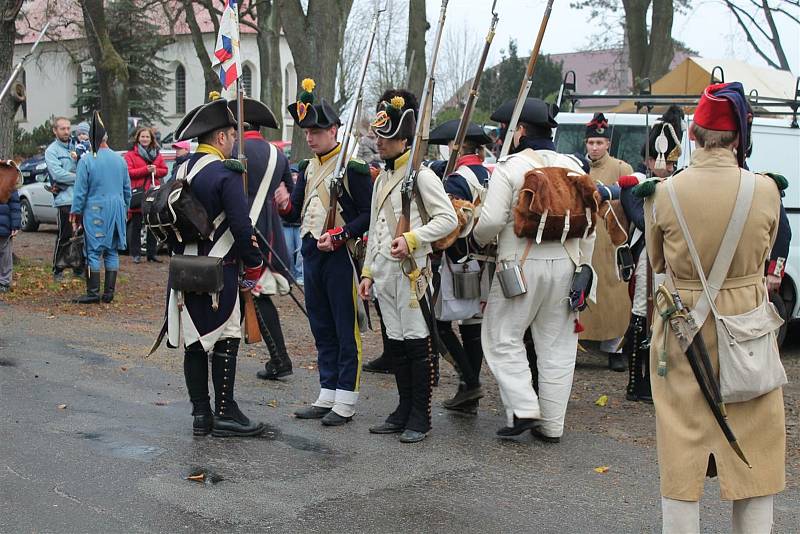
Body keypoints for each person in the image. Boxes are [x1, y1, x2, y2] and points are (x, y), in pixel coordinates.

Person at [644, 82, 785, 533]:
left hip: (684, 332)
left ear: (692, 135)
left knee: (681, 465)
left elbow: (657, 261)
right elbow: (764, 255)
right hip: (747, 330)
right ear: (739, 139)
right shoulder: (766, 191)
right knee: (756, 462)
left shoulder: (663, 194)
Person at [471, 97, 595, 442]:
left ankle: (524, 407)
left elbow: (491, 221)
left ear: (520, 130)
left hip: (520, 266)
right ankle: (552, 425)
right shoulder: (574, 166)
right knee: (557, 347)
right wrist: (584, 266)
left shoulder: (510, 167)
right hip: (568, 266)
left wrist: (477, 240)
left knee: (502, 336)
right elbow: (590, 225)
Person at [358, 89, 458, 443]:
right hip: (385, 273)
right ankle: (403, 409)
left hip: (412, 271)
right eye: (378, 137)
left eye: (385, 138)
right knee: (396, 344)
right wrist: (368, 272)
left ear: (403, 139)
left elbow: (447, 220)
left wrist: (414, 238)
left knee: (417, 343)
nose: (379, 143)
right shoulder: (383, 178)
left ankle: (421, 415)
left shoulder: (423, 176)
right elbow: (374, 227)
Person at [275, 78, 373, 426]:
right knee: (321, 325)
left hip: (340, 254)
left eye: (316, 130)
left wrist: (342, 233)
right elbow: (298, 210)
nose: (310, 136)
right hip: (311, 252)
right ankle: (327, 391)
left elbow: (368, 214)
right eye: (306, 131)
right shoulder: (307, 167)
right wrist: (285, 205)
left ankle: (346, 400)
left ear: (334, 130)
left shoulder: (352, 167)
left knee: (345, 327)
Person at [166, 95, 265, 438]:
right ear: (221, 138)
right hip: (218, 269)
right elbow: (240, 226)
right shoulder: (225, 172)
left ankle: (201, 415)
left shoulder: (179, 169)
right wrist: (255, 262)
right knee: (226, 336)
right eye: (232, 135)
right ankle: (225, 412)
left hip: (183, 269)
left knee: (194, 342)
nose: (235, 140)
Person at [615, 105, 685, 402]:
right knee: (642, 315)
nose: (667, 167)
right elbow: (645, 221)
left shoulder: (678, 182)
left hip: (675, 258)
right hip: (647, 257)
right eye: (663, 160)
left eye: (671, 163)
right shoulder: (635, 185)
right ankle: (636, 381)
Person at [427, 119, 493, 415]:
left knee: (439, 326)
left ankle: (469, 380)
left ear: (457, 146)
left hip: (459, 258)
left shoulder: (457, 179)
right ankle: (468, 393)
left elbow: (450, 223)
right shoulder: (493, 172)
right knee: (472, 325)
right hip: (488, 258)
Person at [231, 97, 295, 381]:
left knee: (253, 293)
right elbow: (288, 196)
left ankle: (280, 359)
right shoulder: (278, 154)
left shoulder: (231, 149)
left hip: (239, 229)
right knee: (252, 293)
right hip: (269, 229)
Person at [579, 113, 634, 371]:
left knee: (614, 294)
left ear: (608, 144)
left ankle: (615, 350)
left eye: (599, 143)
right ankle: (578, 344)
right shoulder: (577, 167)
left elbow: (631, 201)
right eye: (591, 143)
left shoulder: (622, 168)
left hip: (611, 241)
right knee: (582, 289)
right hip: (583, 238)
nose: (595, 147)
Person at [69, 111, 132, 304]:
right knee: (112, 251)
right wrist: (125, 209)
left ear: (91, 139)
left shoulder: (87, 160)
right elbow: (127, 189)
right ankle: (109, 293)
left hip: (96, 209)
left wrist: (75, 212)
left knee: (94, 251)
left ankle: (93, 292)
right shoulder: (120, 160)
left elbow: (80, 191)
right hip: (117, 209)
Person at [45, 116, 82, 281]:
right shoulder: (52, 151)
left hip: (81, 198)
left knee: (81, 235)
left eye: (68, 128)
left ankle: (78, 267)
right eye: (62, 128)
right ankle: (58, 268)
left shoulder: (77, 146)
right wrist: (80, 177)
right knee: (65, 235)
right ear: (55, 130)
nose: (66, 131)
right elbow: (57, 174)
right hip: (65, 199)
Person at [124, 126, 167, 263]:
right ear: (138, 138)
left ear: (151, 139)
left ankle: (152, 253)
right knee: (136, 225)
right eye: (142, 136)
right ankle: (135, 254)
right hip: (139, 194)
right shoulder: (130, 155)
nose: (145, 139)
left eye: (147, 137)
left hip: (153, 194)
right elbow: (129, 172)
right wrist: (145, 170)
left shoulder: (158, 154)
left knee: (152, 226)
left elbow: (164, 170)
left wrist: (156, 170)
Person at [281, 164, 303, 285]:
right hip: (286, 225)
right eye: (292, 175)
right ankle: (290, 274)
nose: (294, 177)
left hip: (299, 225)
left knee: (300, 253)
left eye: (296, 174)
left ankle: (300, 275)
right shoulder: (284, 188)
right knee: (288, 251)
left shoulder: (303, 187)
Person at [0, 168, 21, 293]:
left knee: (5, 255)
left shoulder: (8, 179)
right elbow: (15, 205)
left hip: (5, 225)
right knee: (5, 255)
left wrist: (15, 225)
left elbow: (14, 204)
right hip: (5, 224)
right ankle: (4, 282)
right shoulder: (9, 178)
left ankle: (4, 282)